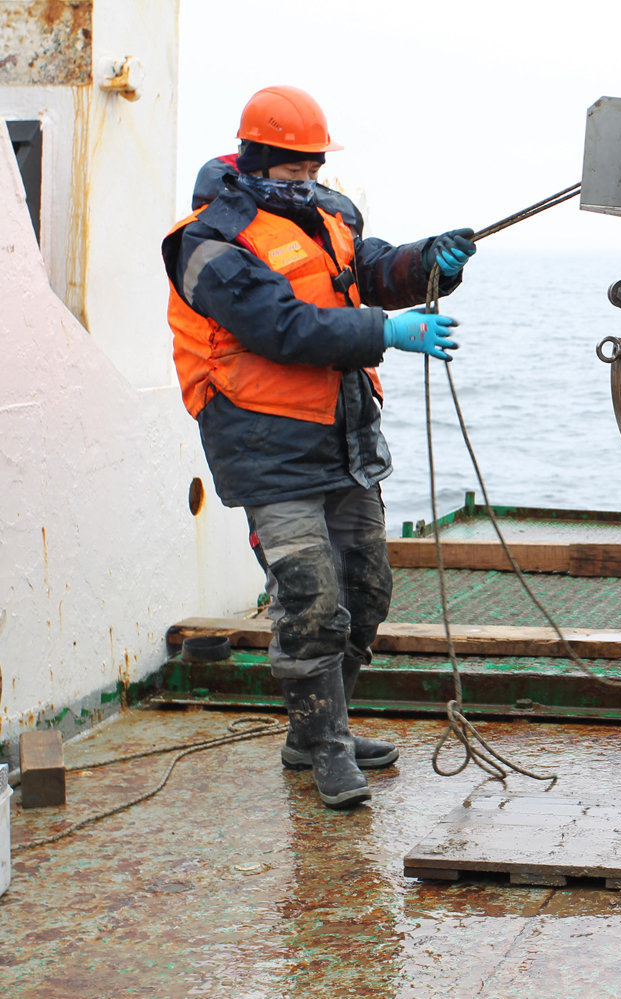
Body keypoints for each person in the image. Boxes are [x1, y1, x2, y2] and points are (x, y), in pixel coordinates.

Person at [162, 85, 478, 809]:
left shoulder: (329, 216)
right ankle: (327, 747)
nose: (305, 180)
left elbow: (370, 269)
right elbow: (280, 326)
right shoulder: (206, 243)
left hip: (344, 439)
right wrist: (386, 331)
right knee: (309, 599)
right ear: (254, 160)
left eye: (313, 167)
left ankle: (315, 732)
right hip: (265, 447)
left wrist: (431, 261)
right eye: (292, 169)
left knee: (365, 592)